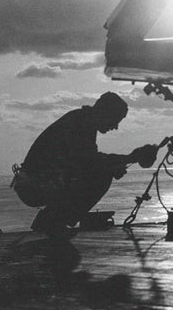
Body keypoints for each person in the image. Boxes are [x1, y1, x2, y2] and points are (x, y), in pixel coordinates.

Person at [11, 92, 158, 237]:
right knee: (102, 176)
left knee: (101, 171)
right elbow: (89, 161)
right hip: (34, 185)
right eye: (116, 120)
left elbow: (85, 161)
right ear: (105, 113)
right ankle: (53, 221)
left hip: (34, 181)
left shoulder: (81, 120)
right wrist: (129, 158)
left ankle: (51, 219)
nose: (115, 127)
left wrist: (124, 160)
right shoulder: (80, 124)